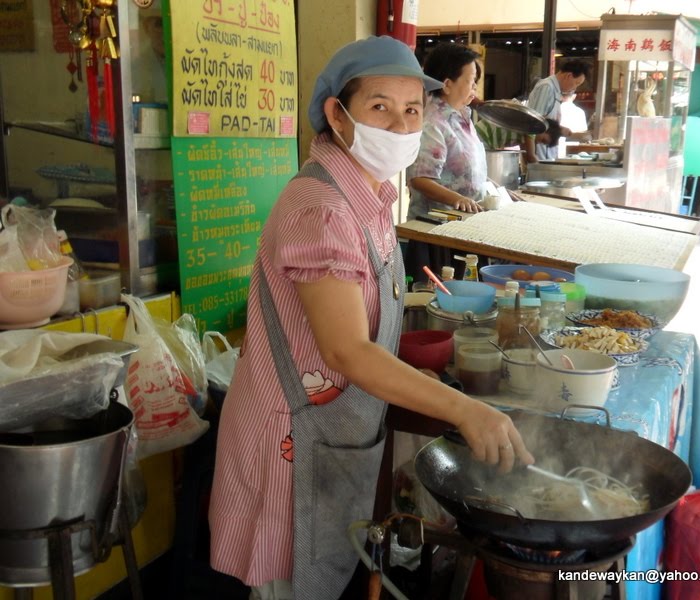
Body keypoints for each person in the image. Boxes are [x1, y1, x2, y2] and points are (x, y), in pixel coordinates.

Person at [208, 36, 534, 600]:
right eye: (379, 107)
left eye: (412, 110)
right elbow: (345, 351)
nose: (402, 126)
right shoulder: (321, 210)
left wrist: (413, 377)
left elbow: (366, 327)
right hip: (292, 443)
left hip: (333, 434)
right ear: (337, 113)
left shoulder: (369, 193)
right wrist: (465, 409)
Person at [405, 43, 487, 282]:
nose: (474, 88)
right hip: (435, 233)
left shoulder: (461, 116)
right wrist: (458, 199)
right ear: (447, 84)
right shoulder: (433, 122)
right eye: (471, 80)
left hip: (462, 227)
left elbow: (466, 168)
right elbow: (419, 178)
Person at [526, 60, 591, 160]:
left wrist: (561, 130)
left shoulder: (555, 91)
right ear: (568, 76)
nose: (575, 88)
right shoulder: (546, 87)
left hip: (547, 156)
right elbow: (532, 124)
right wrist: (531, 156)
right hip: (538, 156)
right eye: (576, 83)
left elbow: (546, 122)